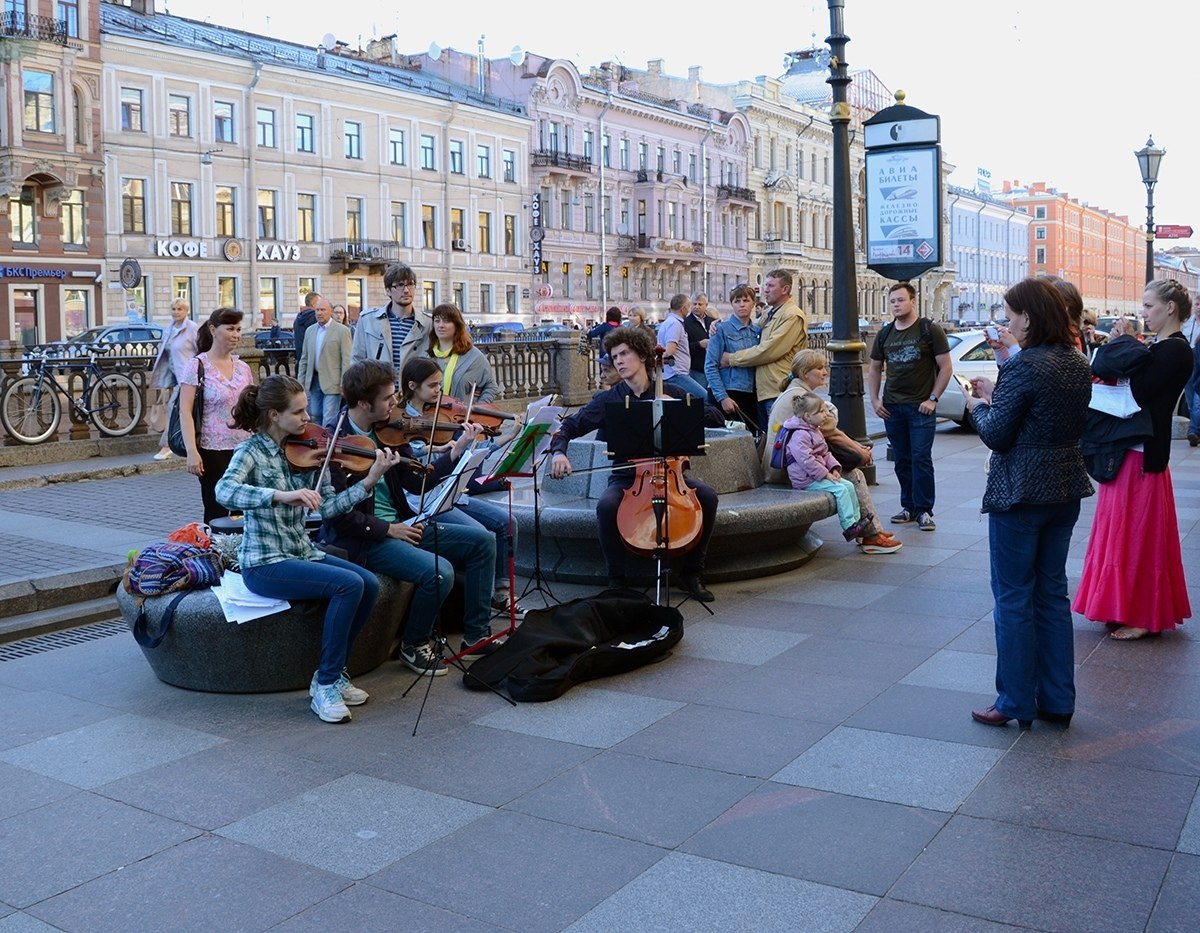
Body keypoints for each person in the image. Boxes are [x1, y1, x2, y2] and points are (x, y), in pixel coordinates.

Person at [215, 375, 399, 723]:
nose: (307, 418)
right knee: (349, 585)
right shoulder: (250, 451)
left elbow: (329, 508)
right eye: (298, 412)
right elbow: (224, 492)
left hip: (302, 551)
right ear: (273, 415)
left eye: (306, 410)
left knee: (369, 583)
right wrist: (279, 496)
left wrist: (370, 481)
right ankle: (325, 684)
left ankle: (334, 672)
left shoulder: (311, 449)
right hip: (265, 562)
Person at [964, 277, 1094, 729]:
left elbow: (999, 434)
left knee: (1014, 598)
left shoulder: (1028, 365)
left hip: (1020, 492)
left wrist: (978, 404)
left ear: (1030, 317)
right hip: (1064, 488)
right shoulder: (1076, 362)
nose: (1008, 321)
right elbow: (1040, 416)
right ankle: (1058, 699)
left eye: (1012, 314)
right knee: (1052, 595)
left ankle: (1015, 701)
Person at [321, 359, 499, 669]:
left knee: (483, 541)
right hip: (365, 538)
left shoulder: (389, 430)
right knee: (438, 572)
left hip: (403, 524)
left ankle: (476, 635)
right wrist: (388, 530)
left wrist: (455, 455)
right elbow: (339, 517)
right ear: (364, 403)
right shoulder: (335, 444)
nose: (395, 402)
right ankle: (414, 644)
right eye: (388, 397)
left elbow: (416, 482)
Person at [548, 325, 723, 601]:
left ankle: (692, 572)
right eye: (614, 356)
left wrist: (677, 407)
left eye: (624, 353)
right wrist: (559, 451)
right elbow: (569, 425)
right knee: (607, 505)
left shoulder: (673, 391)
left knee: (709, 497)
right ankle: (616, 578)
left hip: (671, 473)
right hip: (628, 478)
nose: (618, 360)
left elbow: (716, 417)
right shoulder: (609, 400)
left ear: (643, 356)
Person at [1073, 278, 1193, 640]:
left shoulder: (1176, 350)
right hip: (1131, 449)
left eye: (1148, 306)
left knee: (1136, 536)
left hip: (1144, 453)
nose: (1143, 313)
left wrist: (1123, 342)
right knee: (1123, 533)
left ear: (1170, 307)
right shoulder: (1161, 346)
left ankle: (1140, 613)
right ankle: (1125, 608)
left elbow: (1134, 392)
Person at [400, 356, 520, 616]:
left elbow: (467, 457)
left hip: (449, 491)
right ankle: (479, 607)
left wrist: (507, 438)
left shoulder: (440, 417)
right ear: (412, 386)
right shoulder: (401, 423)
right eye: (433, 386)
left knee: (507, 523)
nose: (439, 392)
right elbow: (420, 462)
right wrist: (447, 448)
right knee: (480, 534)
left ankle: (501, 592)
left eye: (439, 385)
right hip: (425, 499)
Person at [766, 350, 902, 554]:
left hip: (782, 468)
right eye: (820, 368)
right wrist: (861, 452)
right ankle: (870, 535)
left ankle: (868, 531)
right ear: (805, 373)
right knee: (854, 476)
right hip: (790, 474)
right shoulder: (802, 398)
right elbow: (832, 433)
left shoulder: (792, 392)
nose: (825, 372)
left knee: (849, 476)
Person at [867, 282, 953, 531]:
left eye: (901, 300)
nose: (896, 304)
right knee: (902, 460)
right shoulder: (885, 334)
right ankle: (908, 506)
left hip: (920, 408)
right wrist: (875, 400)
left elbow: (946, 367)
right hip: (892, 407)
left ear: (913, 301)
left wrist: (933, 399)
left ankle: (924, 510)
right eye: (892, 301)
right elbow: (874, 368)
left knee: (921, 458)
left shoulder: (929, 330)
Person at [179, 308, 253, 523]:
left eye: (239, 329)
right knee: (217, 510)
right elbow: (185, 410)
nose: (236, 334)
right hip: (212, 449)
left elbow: (252, 408)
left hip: (243, 448)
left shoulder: (243, 367)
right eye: (230, 328)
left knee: (244, 510)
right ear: (213, 330)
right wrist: (192, 451)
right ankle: (215, 553)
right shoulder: (197, 366)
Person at [721, 268, 808, 431]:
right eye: (765, 285)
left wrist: (731, 359)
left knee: (778, 441)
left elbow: (768, 350)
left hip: (778, 388)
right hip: (763, 389)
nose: (765, 290)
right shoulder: (770, 313)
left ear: (785, 289)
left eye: (770, 285)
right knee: (765, 439)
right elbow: (748, 328)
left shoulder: (792, 315)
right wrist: (720, 325)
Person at [782, 394, 873, 542]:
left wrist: (834, 468)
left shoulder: (814, 430)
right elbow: (807, 461)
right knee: (841, 490)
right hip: (805, 480)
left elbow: (825, 453)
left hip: (816, 475)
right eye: (822, 411)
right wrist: (826, 474)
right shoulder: (800, 435)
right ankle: (849, 526)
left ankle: (857, 522)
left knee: (849, 485)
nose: (826, 414)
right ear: (808, 416)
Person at [351, 262, 430, 387]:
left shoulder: (427, 323)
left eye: (410, 284)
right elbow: (357, 359)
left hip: (413, 396)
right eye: (399, 285)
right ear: (388, 291)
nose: (406, 290)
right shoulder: (368, 320)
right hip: (378, 393)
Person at [705, 285, 761, 433]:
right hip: (727, 391)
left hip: (749, 393)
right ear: (732, 304)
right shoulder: (721, 329)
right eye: (737, 301)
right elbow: (710, 366)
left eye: (746, 300)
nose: (742, 304)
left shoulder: (757, 331)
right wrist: (722, 397)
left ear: (753, 303)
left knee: (749, 439)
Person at [148, 298, 198, 460]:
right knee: (184, 412)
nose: (176, 312)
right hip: (173, 378)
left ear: (186, 311)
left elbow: (201, 351)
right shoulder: (168, 328)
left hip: (188, 378)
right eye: (174, 309)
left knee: (173, 409)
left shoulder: (192, 329)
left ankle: (166, 446)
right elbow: (166, 355)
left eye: (180, 309)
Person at [425, 303, 500, 404]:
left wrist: (478, 409)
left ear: (457, 325)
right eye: (437, 321)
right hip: (432, 415)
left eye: (447, 321)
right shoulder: (427, 356)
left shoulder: (474, 357)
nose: (441, 325)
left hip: (463, 417)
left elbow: (491, 387)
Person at [297, 294, 353, 427]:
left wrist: (344, 383)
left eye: (323, 310)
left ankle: (329, 444)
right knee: (314, 414)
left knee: (329, 417)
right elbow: (304, 358)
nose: (319, 313)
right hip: (314, 379)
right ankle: (318, 444)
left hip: (333, 381)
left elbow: (347, 359)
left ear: (330, 312)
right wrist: (300, 382)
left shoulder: (342, 331)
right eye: (317, 310)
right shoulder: (310, 331)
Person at [656, 294, 707, 399]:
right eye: (689, 306)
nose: (690, 310)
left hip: (674, 373)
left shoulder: (668, 322)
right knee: (704, 398)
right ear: (683, 308)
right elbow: (669, 351)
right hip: (676, 373)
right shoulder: (675, 324)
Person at [683, 295, 712, 389]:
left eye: (700, 304)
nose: (697, 307)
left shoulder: (712, 322)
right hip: (696, 369)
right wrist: (699, 344)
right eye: (694, 304)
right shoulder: (685, 323)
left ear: (706, 305)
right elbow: (684, 348)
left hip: (712, 369)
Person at [292, 291, 319, 363]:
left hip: (301, 356)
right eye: (319, 303)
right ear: (313, 304)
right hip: (313, 358)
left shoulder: (298, 318)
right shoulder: (315, 317)